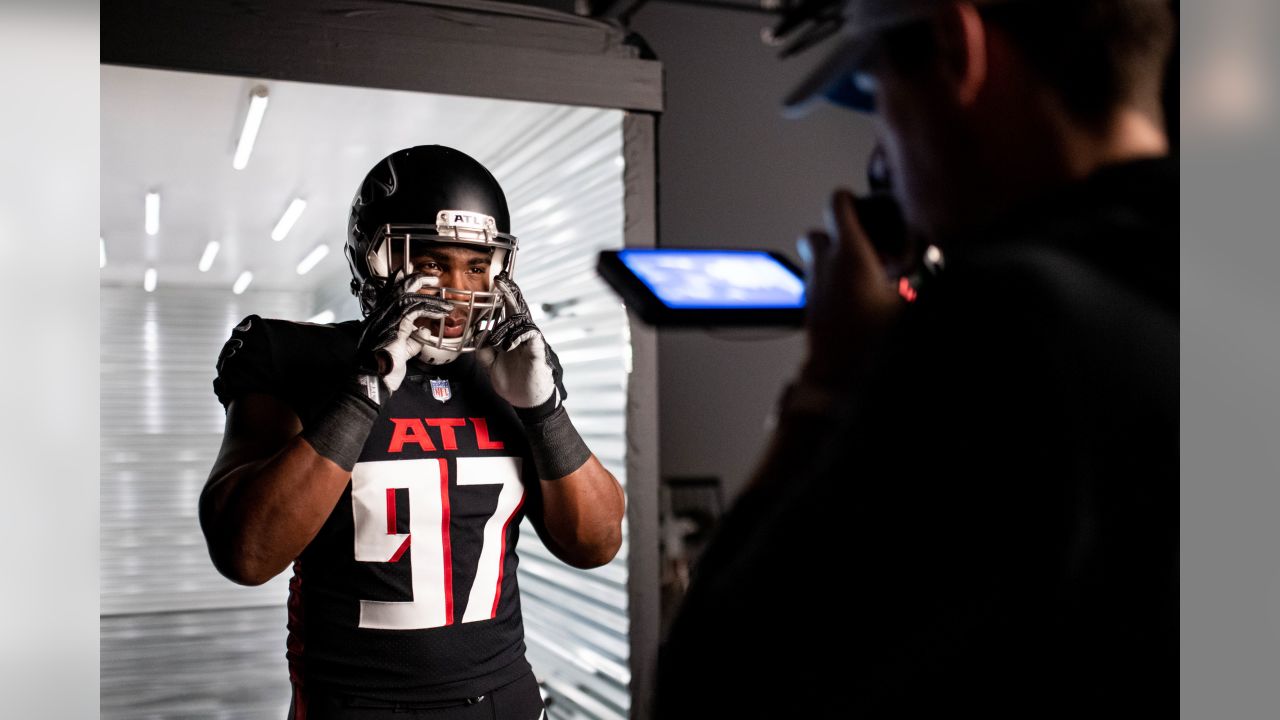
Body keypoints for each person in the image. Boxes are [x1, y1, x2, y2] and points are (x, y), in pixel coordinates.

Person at [655, 1, 1176, 717]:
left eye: (877, 102)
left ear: (956, 48)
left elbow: (714, 687)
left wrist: (829, 385)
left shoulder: (998, 319)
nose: (883, 160)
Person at [199, 145, 626, 720]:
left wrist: (544, 408)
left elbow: (596, 543)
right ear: (374, 261)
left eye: (477, 265)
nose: (456, 290)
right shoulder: (295, 356)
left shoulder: (509, 368)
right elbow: (245, 553)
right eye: (432, 263)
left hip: (504, 700)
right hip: (360, 704)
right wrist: (362, 391)